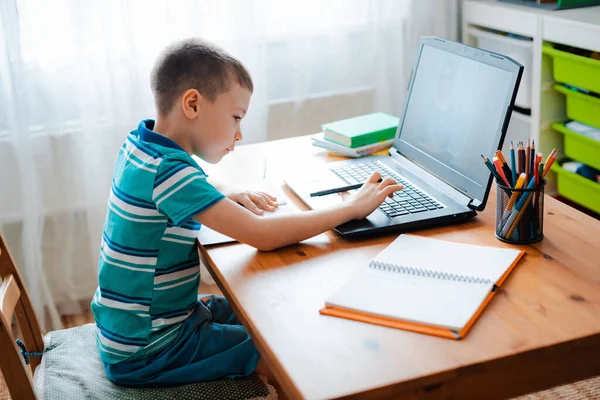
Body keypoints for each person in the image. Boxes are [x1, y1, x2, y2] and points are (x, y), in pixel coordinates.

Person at [91, 37, 402, 387]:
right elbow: (262, 235)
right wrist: (349, 209)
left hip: (128, 328)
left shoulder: (141, 146)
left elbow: (170, 193)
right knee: (281, 351)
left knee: (263, 311)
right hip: (151, 349)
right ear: (192, 103)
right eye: (235, 117)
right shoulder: (170, 172)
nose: (239, 133)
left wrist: (225, 192)